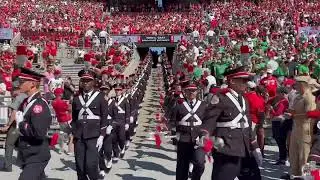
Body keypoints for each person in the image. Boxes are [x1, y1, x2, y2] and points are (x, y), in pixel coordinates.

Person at [200, 66, 262, 180]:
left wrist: (255, 147)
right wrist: (205, 135)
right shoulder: (220, 98)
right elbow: (209, 121)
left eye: (247, 80)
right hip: (227, 149)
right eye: (243, 80)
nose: (246, 83)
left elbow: (247, 125)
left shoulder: (244, 100)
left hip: (245, 149)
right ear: (232, 81)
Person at [15, 67, 52, 180]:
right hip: (28, 151)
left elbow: (39, 133)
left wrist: (21, 124)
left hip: (36, 153)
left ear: (32, 84)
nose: (19, 84)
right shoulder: (26, 102)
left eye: (22, 81)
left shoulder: (38, 105)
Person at [71, 69, 109, 180]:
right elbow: (74, 118)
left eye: (88, 80)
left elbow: (104, 117)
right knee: (80, 167)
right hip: (79, 136)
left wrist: (102, 135)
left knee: (91, 165)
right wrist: (73, 133)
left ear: (93, 82)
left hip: (94, 136)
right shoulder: (77, 99)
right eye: (84, 80)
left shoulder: (100, 97)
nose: (86, 83)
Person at [172, 83, 207, 180]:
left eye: (193, 91)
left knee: (200, 164)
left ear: (197, 92)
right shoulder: (179, 105)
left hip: (199, 139)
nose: (191, 93)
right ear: (185, 92)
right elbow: (173, 121)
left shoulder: (203, 105)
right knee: (182, 167)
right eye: (189, 90)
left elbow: (207, 122)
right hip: (183, 139)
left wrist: (205, 135)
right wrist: (175, 137)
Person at [286, 76, 317, 178]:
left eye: (297, 83)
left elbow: (310, 115)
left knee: (305, 156)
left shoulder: (309, 97)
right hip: (296, 129)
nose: (295, 85)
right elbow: (295, 110)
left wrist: (294, 115)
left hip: (305, 130)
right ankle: (295, 175)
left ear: (303, 84)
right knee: (294, 154)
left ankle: (307, 177)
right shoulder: (298, 96)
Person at [0, 81, 27, 172]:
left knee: (9, 144)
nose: (11, 92)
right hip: (26, 124)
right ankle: (24, 163)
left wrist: (7, 126)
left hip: (17, 125)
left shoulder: (18, 97)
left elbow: (13, 113)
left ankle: (7, 166)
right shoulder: (27, 96)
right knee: (23, 144)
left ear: (17, 89)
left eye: (13, 90)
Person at [267, 87, 289, 165]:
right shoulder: (281, 101)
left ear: (282, 94)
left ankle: (283, 158)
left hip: (279, 123)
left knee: (280, 141)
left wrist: (271, 109)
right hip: (277, 122)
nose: (277, 95)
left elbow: (278, 113)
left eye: (278, 93)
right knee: (279, 141)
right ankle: (282, 157)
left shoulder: (284, 102)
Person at [244, 81, 266, 157]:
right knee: (258, 137)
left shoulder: (246, 96)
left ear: (248, 88)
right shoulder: (259, 97)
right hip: (257, 119)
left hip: (250, 120)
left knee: (251, 139)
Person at [98, 83, 115, 177]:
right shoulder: (97, 101)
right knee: (99, 150)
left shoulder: (112, 102)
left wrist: (111, 126)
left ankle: (109, 158)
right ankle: (102, 168)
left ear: (109, 91)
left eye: (106, 89)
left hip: (108, 127)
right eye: (102, 89)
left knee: (107, 150)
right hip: (100, 127)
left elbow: (116, 117)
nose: (104, 91)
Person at [51, 88, 73, 155]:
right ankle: (69, 150)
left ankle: (60, 148)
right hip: (67, 119)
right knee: (71, 135)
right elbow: (70, 109)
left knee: (62, 133)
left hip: (60, 119)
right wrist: (70, 103)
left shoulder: (53, 102)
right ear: (60, 94)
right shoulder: (62, 102)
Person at [111, 84, 130, 162]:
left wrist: (127, 122)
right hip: (114, 121)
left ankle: (122, 147)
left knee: (121, 137)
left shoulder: (125, 100)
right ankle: (116, 154)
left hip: (122, 121)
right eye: (116, 90)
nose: (117, 91)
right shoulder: (112, 99)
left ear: (121, 91)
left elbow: (127, 112)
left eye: (119, 90)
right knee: (113, 139)